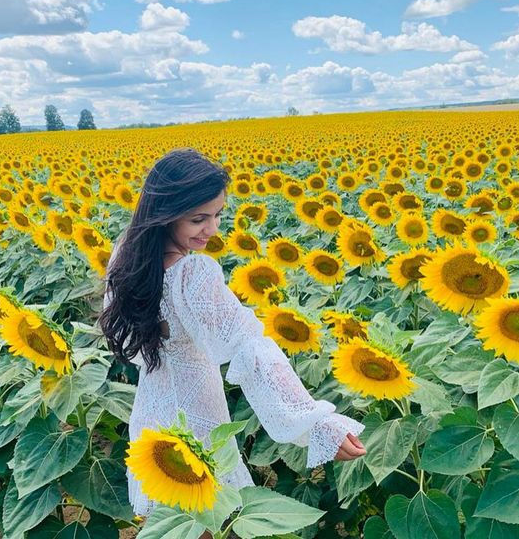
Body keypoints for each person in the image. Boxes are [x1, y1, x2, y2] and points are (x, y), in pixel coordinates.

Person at [99, 148, 366, 517]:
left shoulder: (126, 258)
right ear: (165, 215)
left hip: (151, 416)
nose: (212, 230)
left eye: (217, 215)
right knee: (211, 516)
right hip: (196, 417)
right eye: (198, 219)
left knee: (171, 522)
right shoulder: (193, 275)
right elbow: (249, 350)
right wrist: (315, 422)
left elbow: (132, 346)